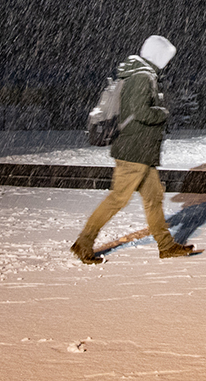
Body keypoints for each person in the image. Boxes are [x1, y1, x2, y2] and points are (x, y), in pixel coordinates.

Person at [71, 35, 198, 264]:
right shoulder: (141, 77)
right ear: (157, 55)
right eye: (166, 57)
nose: (167, 62)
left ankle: (166, 246)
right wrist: (163, 112)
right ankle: (84, 243)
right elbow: (141, 113)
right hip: (134, 151)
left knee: (153, 198)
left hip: (141, 151)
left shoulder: (141, 74)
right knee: (117, 199)